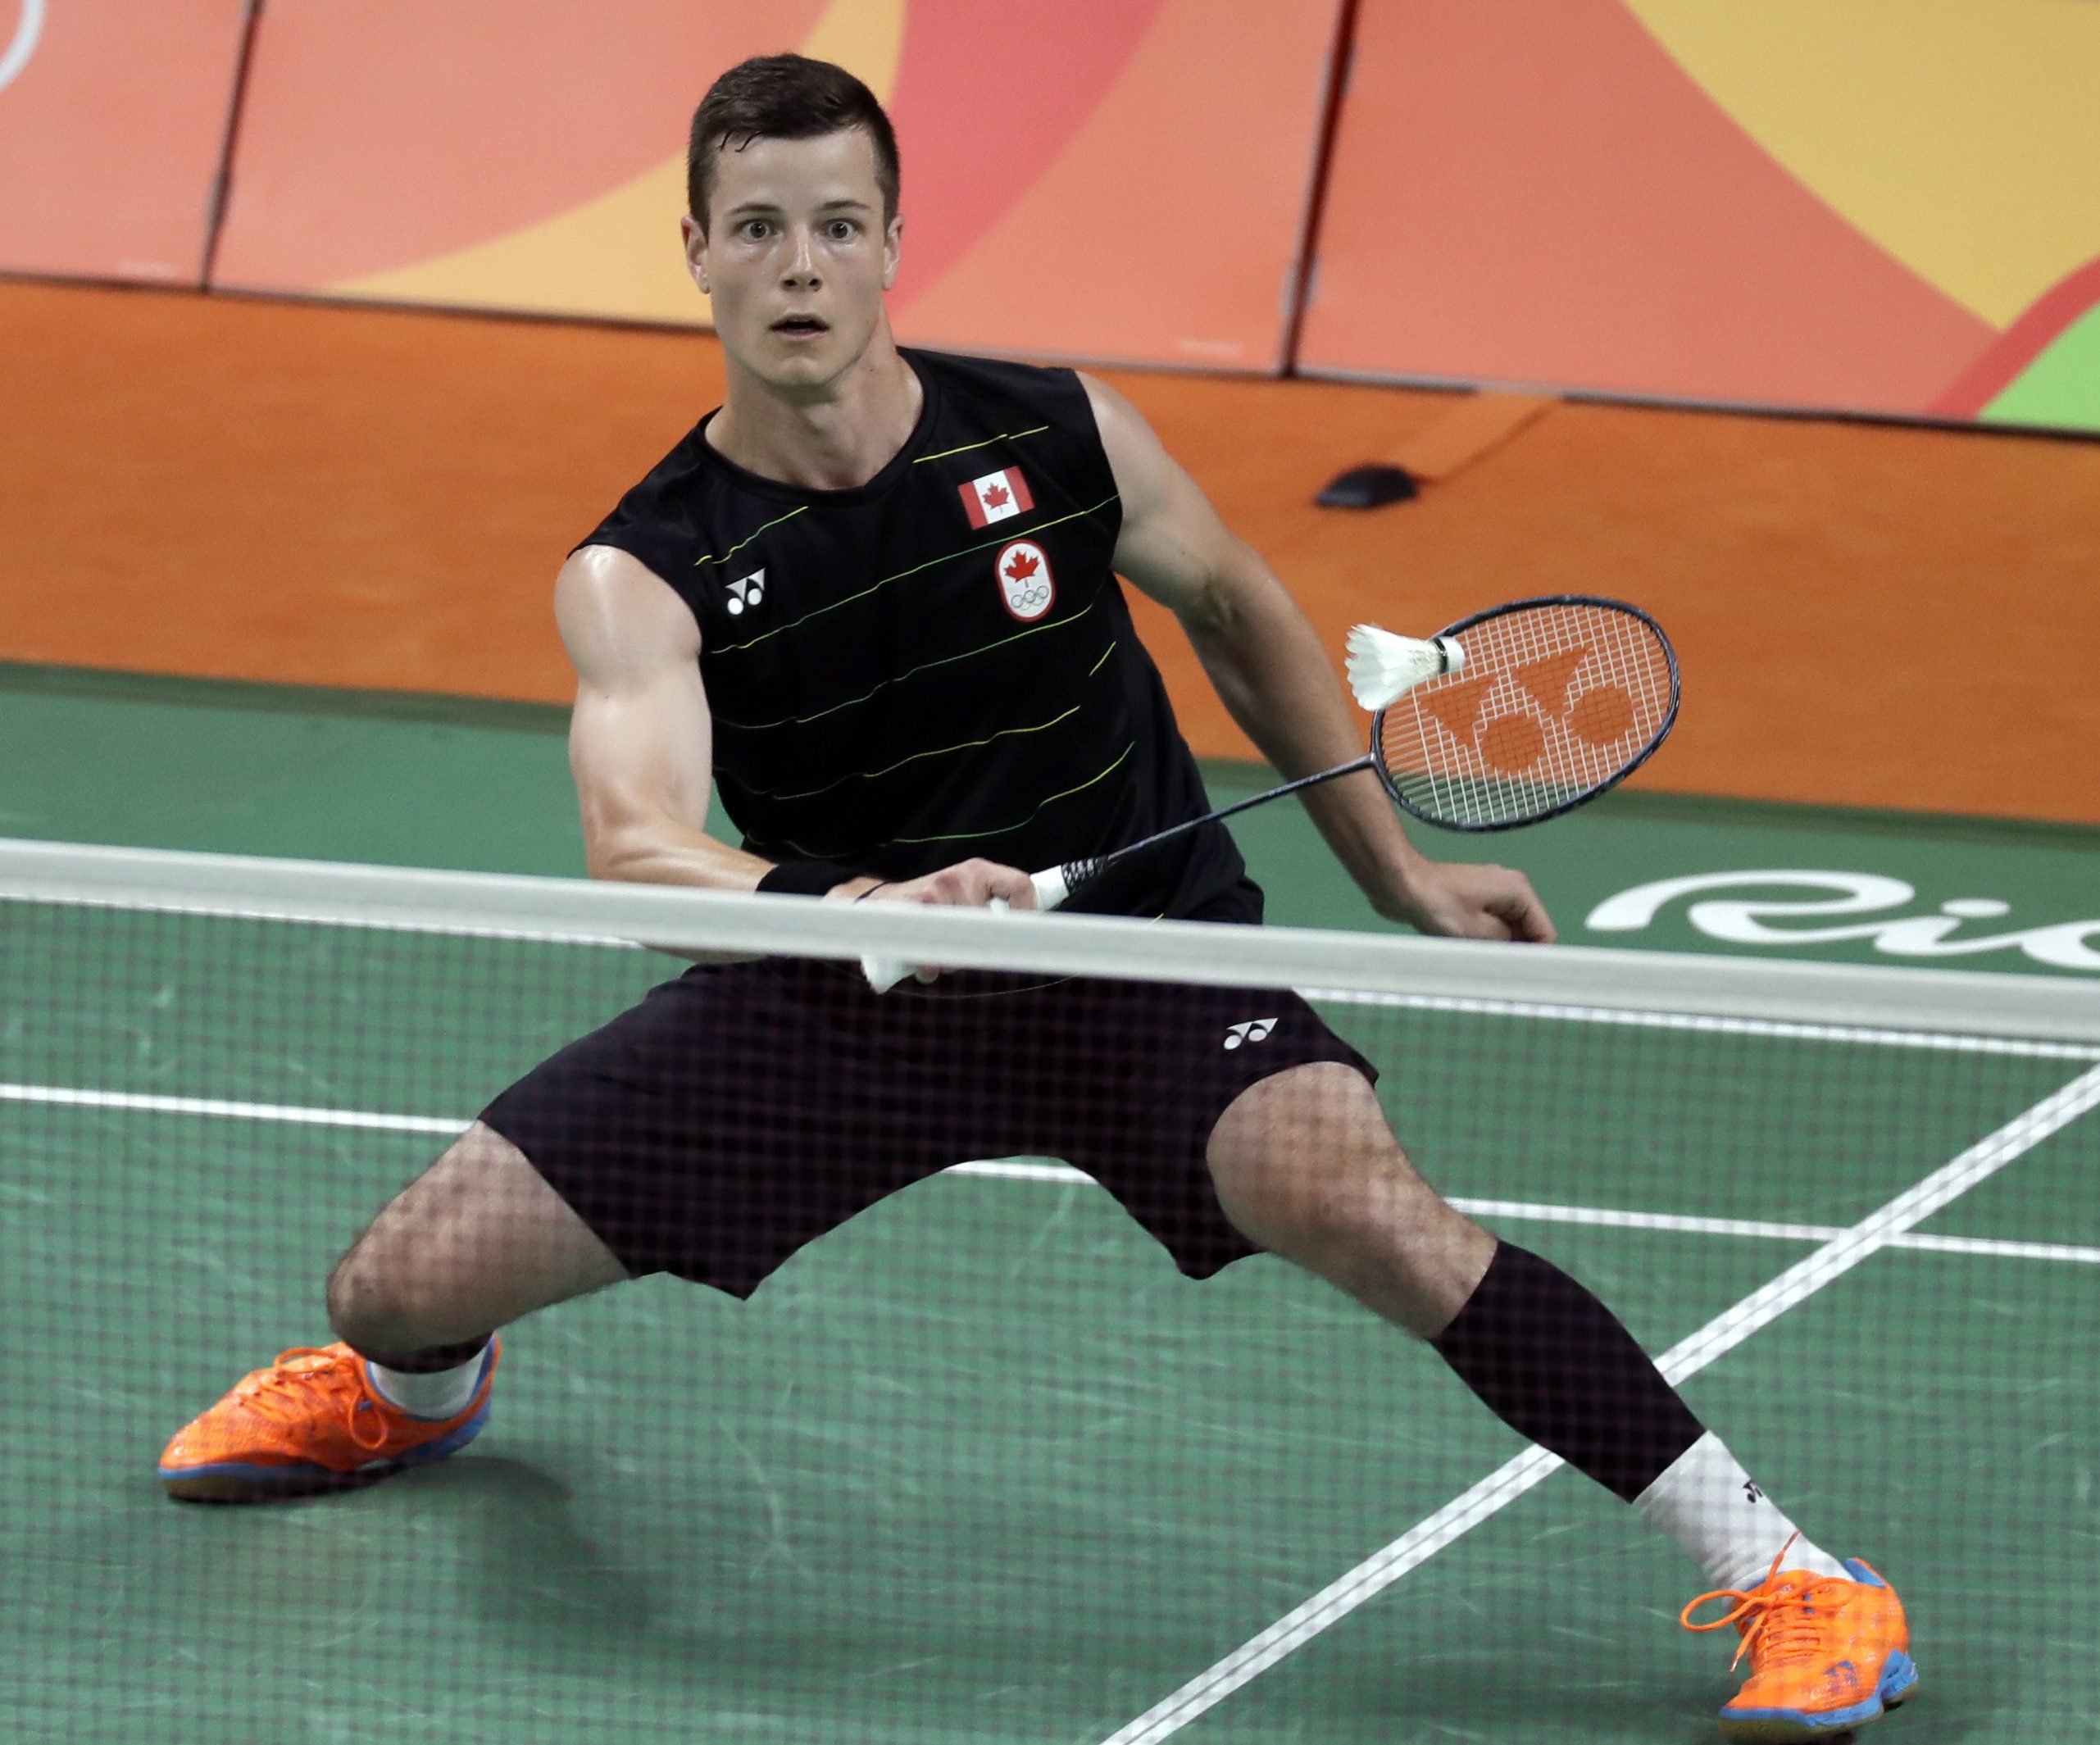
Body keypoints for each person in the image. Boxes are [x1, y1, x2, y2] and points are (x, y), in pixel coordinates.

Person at [158, 53, 1915, 1740]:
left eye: (839, 224)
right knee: (391, 1281)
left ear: (895, 242)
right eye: (758, 227)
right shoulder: (649, 568)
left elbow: (1233, 603)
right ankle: (422, 1403)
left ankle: (1796, 1578)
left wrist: (1398, 872)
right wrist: (874, 912)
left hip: (1141, 957)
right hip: (843, 992)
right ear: (693, 252)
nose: (801, 267)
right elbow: (642, 849)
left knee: (1370, 1210)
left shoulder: (1056, 433)